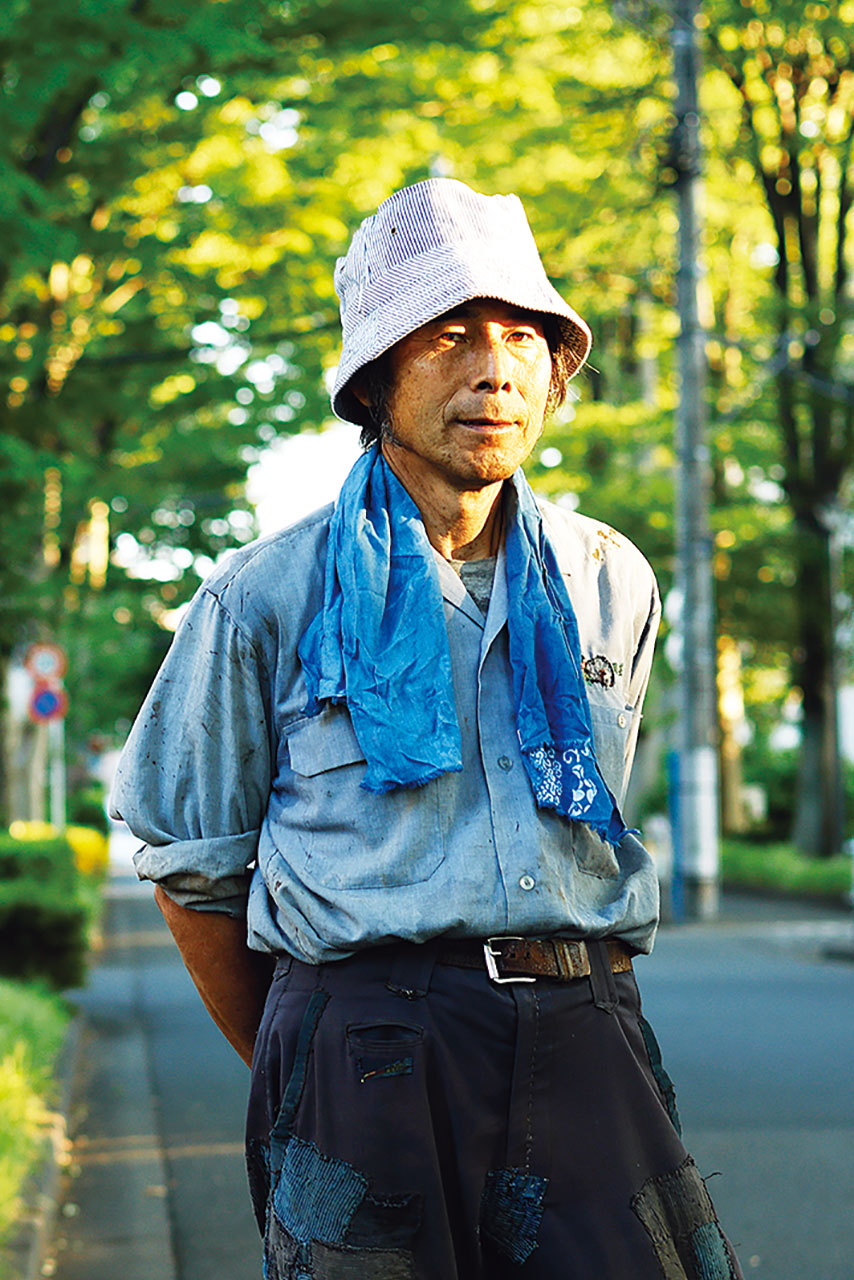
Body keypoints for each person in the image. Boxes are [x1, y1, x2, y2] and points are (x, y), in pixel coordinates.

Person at [111, 178, 743, 1280]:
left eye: (521, 337)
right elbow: (190, 864)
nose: (493, 368)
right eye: (449, 335)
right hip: (364, 1046)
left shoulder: (609, 580)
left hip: (585, 1023)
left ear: (554, 368)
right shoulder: (266, 594)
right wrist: (302, 1056)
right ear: (374, 381)